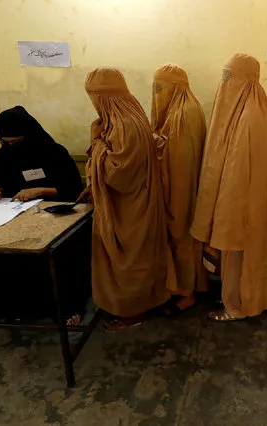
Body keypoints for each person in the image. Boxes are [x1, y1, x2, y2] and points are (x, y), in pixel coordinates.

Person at [0, 106, 88, 336]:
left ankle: (66, 307)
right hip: (12, 213)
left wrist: (41, 190)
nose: (11, 147)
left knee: (56, 247)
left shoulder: (54, 152)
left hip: (53, 214)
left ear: (30, 136)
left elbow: (74, 190)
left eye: (16, 142)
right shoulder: (3, 156)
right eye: (5, 142)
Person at [190, 53, 267, 321]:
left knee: (240, 253)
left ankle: (238, 306)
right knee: (239, 255)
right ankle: (238, 297)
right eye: (224, 76)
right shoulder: (246, 110)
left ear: (246, 80)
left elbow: (238, 174)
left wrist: (224, 212)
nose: (224, 84)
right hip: (240, 200)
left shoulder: (250, 116)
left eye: (230, 77)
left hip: (241, 203)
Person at [82, 66, 169, 331]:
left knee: (130, 260)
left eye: (95, 98)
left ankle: (132, 312)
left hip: (130, 209)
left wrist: (95, 143)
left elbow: (118, 174)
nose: (94, 104)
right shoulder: (128, 117)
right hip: (133, 203)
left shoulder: (125, 126)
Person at [151, 64, 208, 312]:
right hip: (178, 186)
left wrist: (150, 142)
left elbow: (178, 159)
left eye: (159, 88)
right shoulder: (180, 110)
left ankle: (187, 292)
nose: (155, 94)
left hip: (181, 190)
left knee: (182, 235)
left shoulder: (185, 114)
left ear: (175, 88)